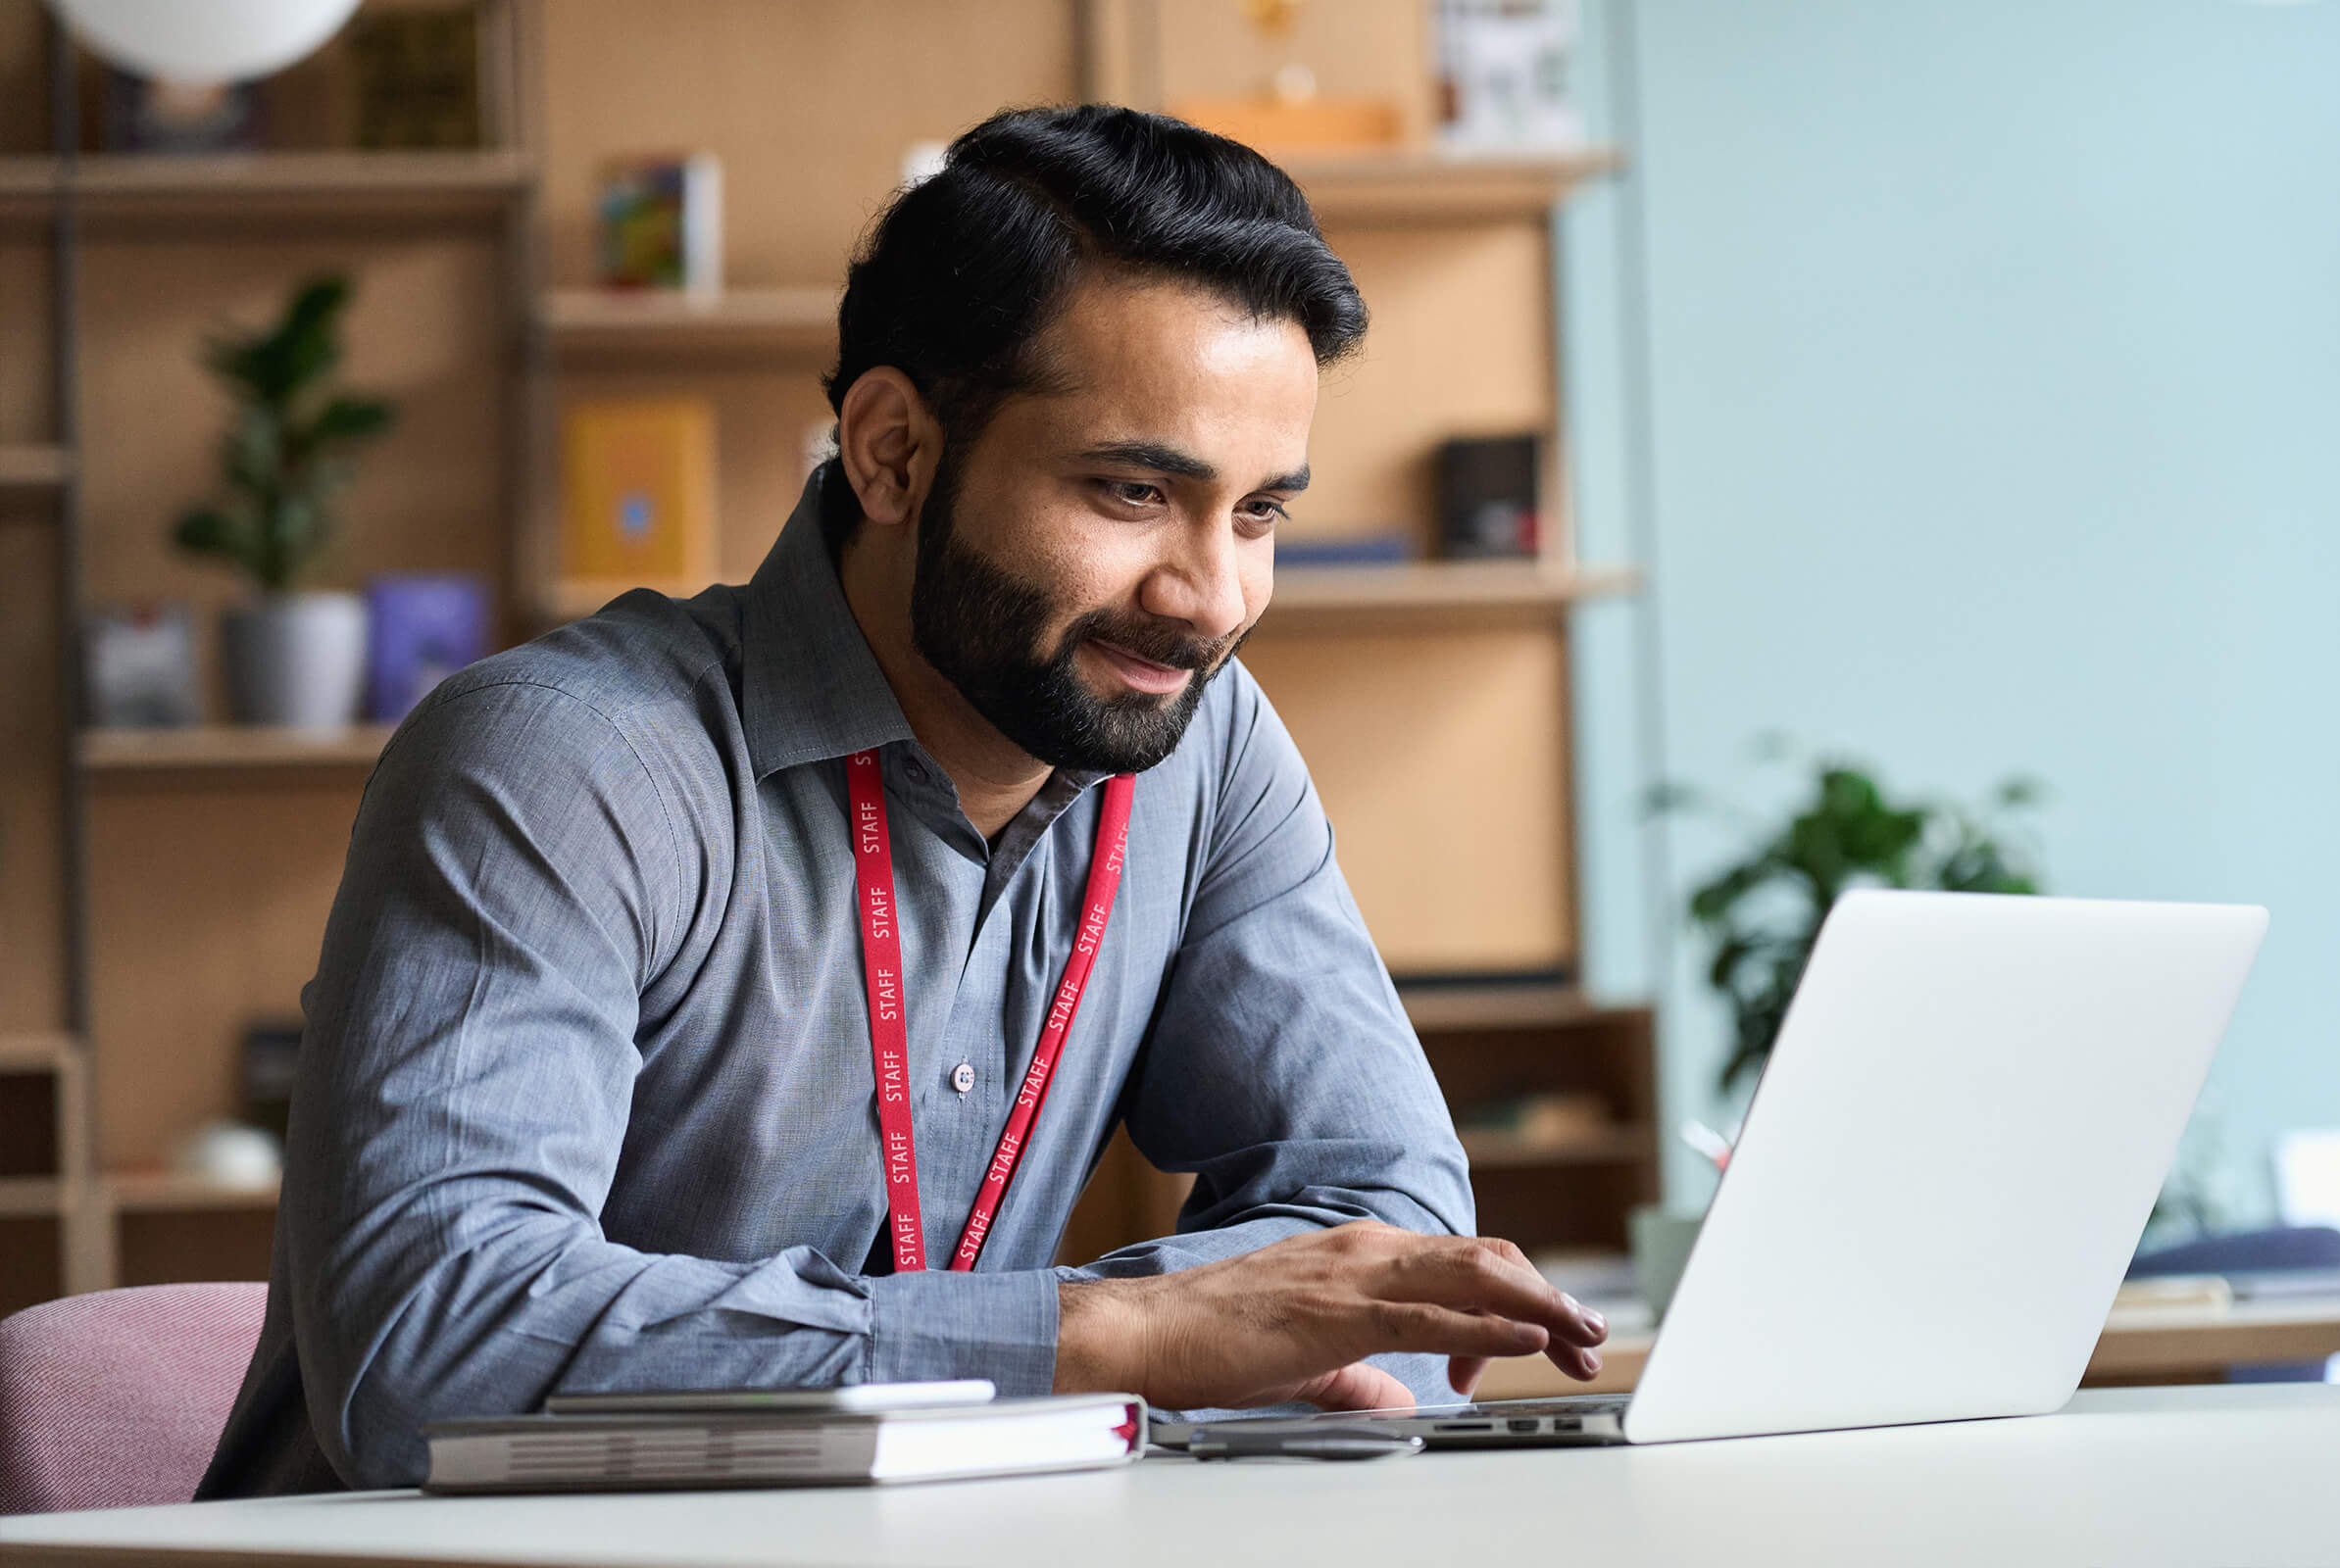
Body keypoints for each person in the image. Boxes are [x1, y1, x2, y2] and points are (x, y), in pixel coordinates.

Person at [199, 104, 1607, 1495]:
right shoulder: (561, 762)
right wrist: (1113, 1335)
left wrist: (1187, 1340)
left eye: (1258, 515)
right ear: (890, 453)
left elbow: (1391, 1226)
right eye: (1130, 492)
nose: (1210, 600)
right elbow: (435, 1346)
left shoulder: (1204, 744)